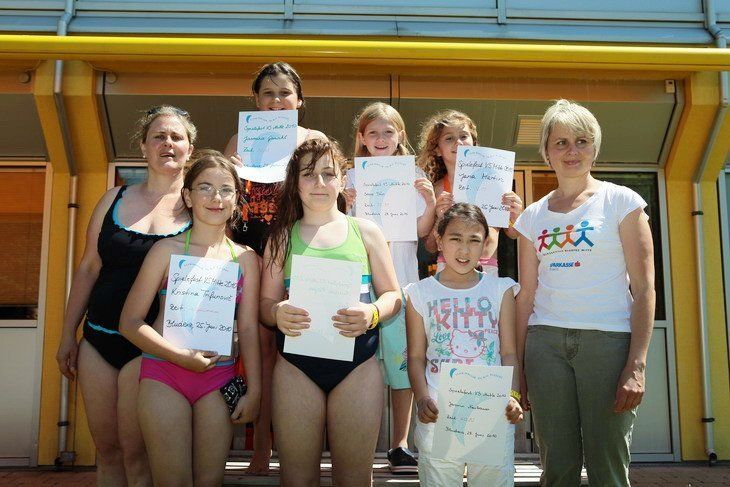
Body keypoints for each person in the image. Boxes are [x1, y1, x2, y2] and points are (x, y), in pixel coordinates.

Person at [514, 99, 655, 486]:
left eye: (581, 141)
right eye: (560, 142)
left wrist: (636, 365)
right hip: (545, 345)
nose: (571, 151)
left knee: (607, 466)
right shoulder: (531, 217)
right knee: (556, 467)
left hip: (608, 344)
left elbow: (644, 288)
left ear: (595, 147)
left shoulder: (622, 202)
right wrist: (518, 368)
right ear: (546, 151)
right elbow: (526, 297)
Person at [55, 105, 195, 486]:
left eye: (177, 137)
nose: (168, 143)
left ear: (190, 150)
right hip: (97, 340)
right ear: (144, 147)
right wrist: (68, 335)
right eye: (158, 137)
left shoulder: (198, 209)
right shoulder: (112, 199)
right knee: (107, 452)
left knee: (137, 454)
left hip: (151, 347)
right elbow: (88, 268)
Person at [259, 137, 401, 486]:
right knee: (297, 480)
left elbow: (393, 296)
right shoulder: (281, 238)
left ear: (342, 179)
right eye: (308, 174)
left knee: (354, 480)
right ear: (295, 183)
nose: (319, 183)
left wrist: (372, 313)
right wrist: (277, 311)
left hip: (358, 368)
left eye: (328, 173)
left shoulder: (366, 231)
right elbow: (264, 306)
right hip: (296, 369)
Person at [119, 151, 261, 486]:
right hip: (164, 374)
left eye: (226, 189)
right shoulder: (165, 251)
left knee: (209, 481)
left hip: (219, 378)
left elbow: (249, 329)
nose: (216, 197)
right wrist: (180, 356)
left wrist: (255, 390)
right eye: (205, 188)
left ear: (236, 199)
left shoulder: (246, 259)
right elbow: (130, 322)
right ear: (188, 196)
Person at [223, 61, 325, 474]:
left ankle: (301, 449)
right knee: (260, 354)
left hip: (297, 254)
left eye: (285, 93)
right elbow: (224, 200)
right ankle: (262, 449)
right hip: (250, 253)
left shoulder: (313, 140)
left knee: (302, 352)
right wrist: (231, 168)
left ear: (299, 100)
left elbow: (328, 196)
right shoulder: (239, 139)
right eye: (268, 93)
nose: (277, 100)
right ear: (256, 99)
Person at [342, 101, 435, 473]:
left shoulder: (414, 174)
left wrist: (429, 201)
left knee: (402, 369)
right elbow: (341, 229)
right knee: (362, 372)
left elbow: (422, 230)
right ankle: (358, 447)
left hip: (403, 285)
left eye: (388, 132)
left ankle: (399, 445)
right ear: (362, 138)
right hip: (361, 289)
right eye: (373, 133)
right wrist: (343, 204)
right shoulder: (350, 177)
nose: (381, 138)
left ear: (400, 136)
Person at [405, 203, 524, 486]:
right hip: (438, 415)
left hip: (492, 415)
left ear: (485, 244)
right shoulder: (419, 293)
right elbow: (416, 356)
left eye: (474, 240)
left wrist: (513, 396)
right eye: (455, 238)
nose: (464, 249)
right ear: (439, 240)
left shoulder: (501, 289)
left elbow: (509, 352)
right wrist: (422, 399)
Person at [417, 110, 522, 274]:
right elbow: (430, 247)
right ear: (437, 150)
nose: (458, 142)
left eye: (464, 136)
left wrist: (515, 215)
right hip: (448, 268)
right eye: (449, 138)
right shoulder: (436, 190)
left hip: (487, 267)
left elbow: (513, 234)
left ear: (474, 142)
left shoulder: (495, 182)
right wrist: (439, 218)